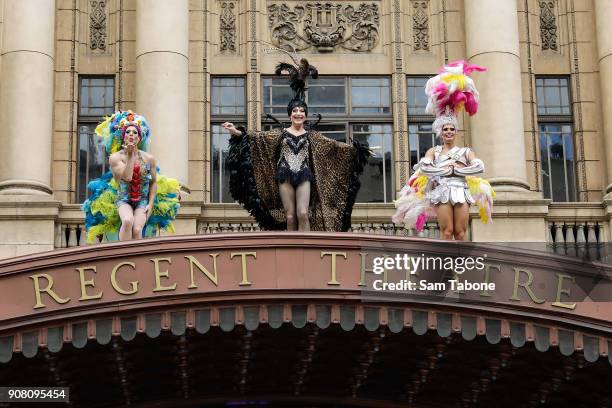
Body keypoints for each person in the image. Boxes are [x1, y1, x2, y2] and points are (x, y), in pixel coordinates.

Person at [225, 59, 371, 232]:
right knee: (290, 215)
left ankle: (307, 246)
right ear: (290, 115)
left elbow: (334, 147)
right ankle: (291, 248)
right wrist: (236, 132)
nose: (298, 113)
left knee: (302, 213)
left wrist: (359, 151)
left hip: (303, 175)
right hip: (284, 175)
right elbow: (257, 138)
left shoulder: (311, 136)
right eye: (295, 111)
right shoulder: (280, 134)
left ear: (305, 116)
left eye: (302, 111)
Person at [393, 61, 494, 240]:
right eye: (445, 129)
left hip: (461, 190)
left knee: (461, 233)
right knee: (447, 232)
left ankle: (462, 266)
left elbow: (479, 167)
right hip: (441, 192)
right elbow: (424, 168)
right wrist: (446, 171)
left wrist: (457, 170)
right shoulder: (434, 151)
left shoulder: (466, 151)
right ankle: (446, 266)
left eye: (451, 129)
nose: (448, 132)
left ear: (455, 132)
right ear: (441, 132)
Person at [82, 111, 181, 242]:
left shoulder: (149, 158)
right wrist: (130, 156)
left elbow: (154, 183)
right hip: (123, 200)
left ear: (139, 138)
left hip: (142, 201)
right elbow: (127, 177)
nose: (131, 135)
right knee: (128, 221)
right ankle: (123, 252)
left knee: (137, 229)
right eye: (128, 132)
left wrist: (150, 204)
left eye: (135, 132)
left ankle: (136, 257)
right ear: (123, 137)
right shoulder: (115, 157)